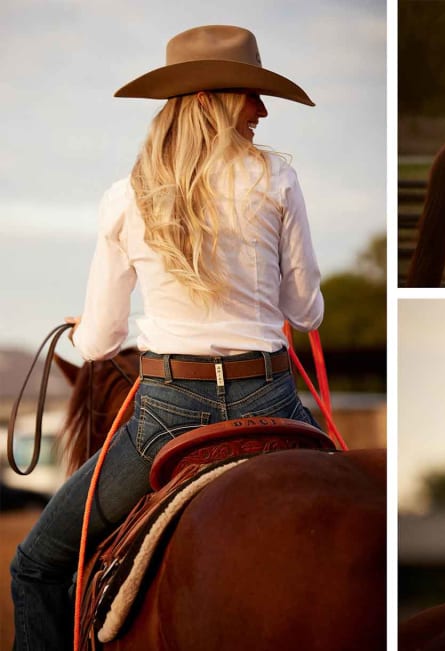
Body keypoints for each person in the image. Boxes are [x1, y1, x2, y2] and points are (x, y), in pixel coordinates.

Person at [9, 25, 323, 649]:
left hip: (168, 417)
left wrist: (83, 327)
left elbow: (100, 343)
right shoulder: (278, 181)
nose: (262, 110)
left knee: (37, 564)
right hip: (274, 402)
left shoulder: (125, 199)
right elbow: (305, 311)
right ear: (209, 101)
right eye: (250, 95)